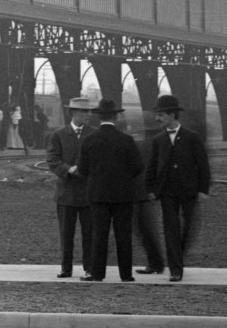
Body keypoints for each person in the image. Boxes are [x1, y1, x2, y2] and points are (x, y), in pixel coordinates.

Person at [145, 94, 211, 282]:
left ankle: (177, 255)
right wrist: (150, 188)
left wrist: (202, 189)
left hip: (190, 191)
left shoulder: (192, 138)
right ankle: (175, 270)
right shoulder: (158, 140)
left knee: (188, 228)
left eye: (161, 115)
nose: (157, 118)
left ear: (172, 115)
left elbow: (203, 164)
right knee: (170, 229)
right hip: (167, 192)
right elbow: (152, 166)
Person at [77, 98, 144, 283]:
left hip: (98, 195)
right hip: (123, 195)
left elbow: (82, 169)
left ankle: (98, 274)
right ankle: (126, 275)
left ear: (99, 117)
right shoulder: (127, 140)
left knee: (99, 235)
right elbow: (138, 167)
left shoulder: (89, 140)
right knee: (124, 235)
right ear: (115, 116)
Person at [45, 97, 97, 279]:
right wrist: (68, 169)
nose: (87, 115)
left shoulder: (94, 134)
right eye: (83, 112)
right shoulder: (58, 135)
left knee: (89, 234)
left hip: (88, 194)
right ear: (73, 113)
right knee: (66, 234)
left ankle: (89, 268)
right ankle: (66, 268)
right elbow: (52, 160)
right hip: (66, 193)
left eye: (88, 111)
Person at [133, 126, 166, 276]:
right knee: (145, 229)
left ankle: (156, 262)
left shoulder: (143, 144)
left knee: (145, 229)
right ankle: (156, 262)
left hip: (141, 192)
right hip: (145, 192)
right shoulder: (155, 143)